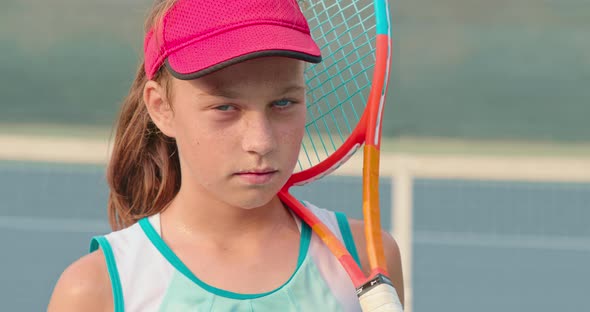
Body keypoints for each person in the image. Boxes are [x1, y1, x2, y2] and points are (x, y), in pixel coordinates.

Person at [48, 0, 404, 310]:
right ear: (161, 108)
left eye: (284, 103)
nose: (260, 142)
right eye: (225, 107)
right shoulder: (96, 290)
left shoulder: (370, 256)